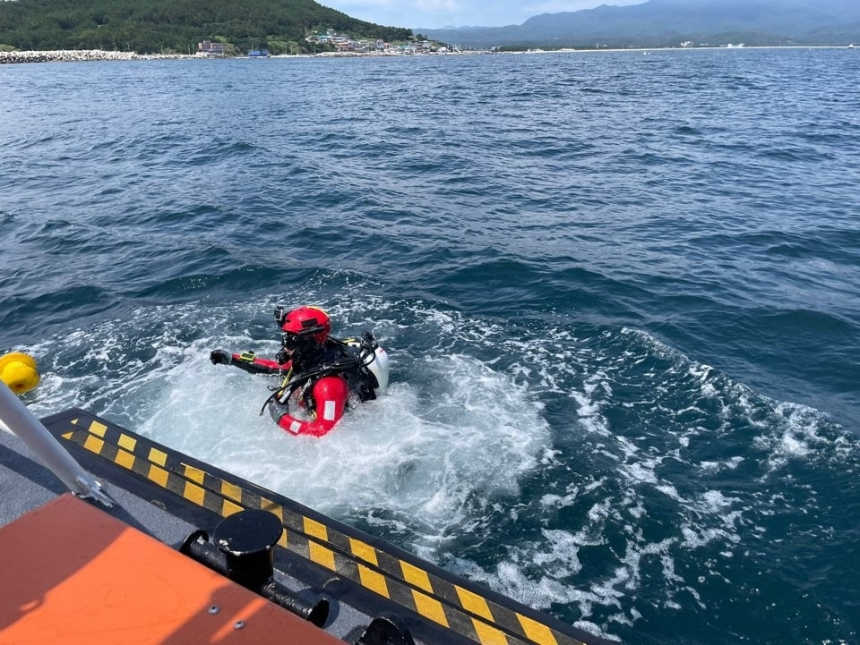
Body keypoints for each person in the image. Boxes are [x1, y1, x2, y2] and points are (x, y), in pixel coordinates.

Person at [210, 305, 388, 437]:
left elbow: (324, 435)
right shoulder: (307, 361)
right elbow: (271, 368)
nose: (284, 347)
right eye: (285, 339)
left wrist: (282, 418)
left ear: (308, 344)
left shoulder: (329, 385)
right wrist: (232, 358)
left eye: (290, 341)